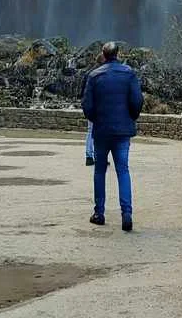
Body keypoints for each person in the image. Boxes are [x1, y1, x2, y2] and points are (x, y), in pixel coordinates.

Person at [81, 41, 143, 231]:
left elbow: (87, 105)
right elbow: (137, 100)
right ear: (118, 53)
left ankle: (99, 213)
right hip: (123, 131)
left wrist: (97, 120)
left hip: (101, 131)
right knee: (123, 171)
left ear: (104, 54)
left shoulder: (94, 75)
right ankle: (127, 214)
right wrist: (130, 118)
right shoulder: (129, 73)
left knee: (99, 171)